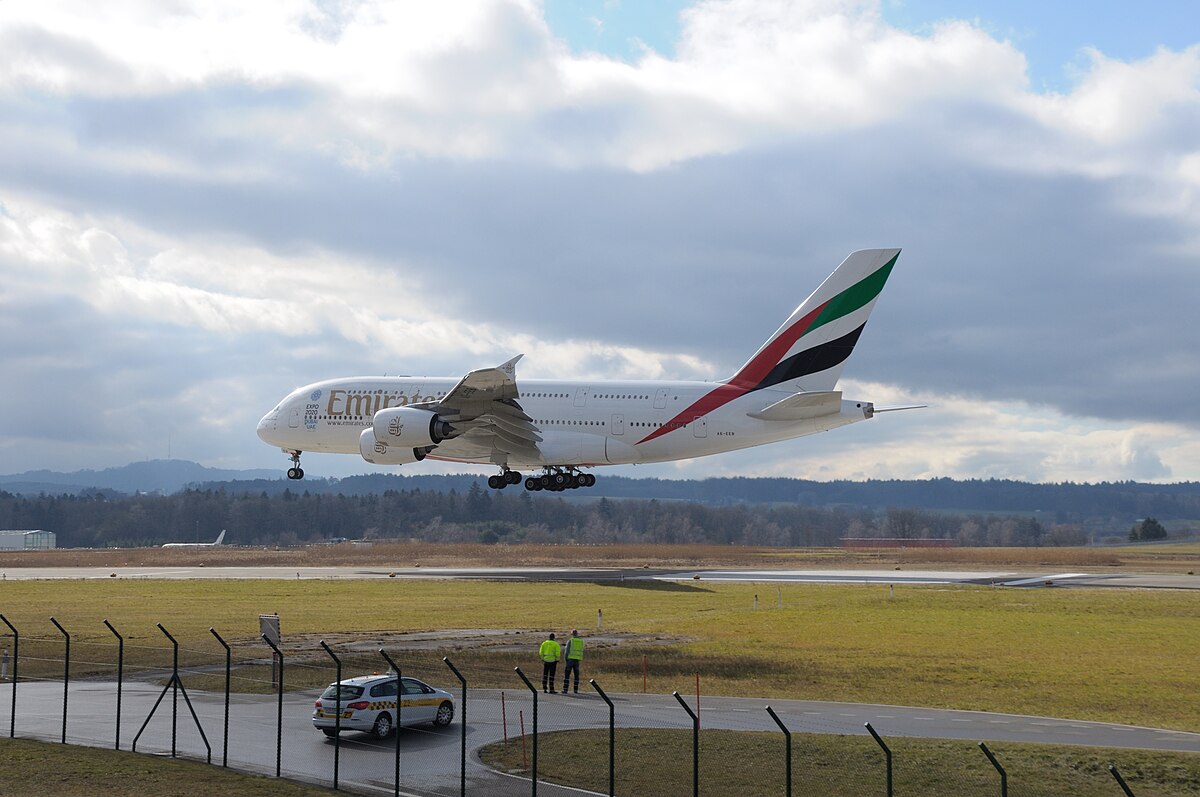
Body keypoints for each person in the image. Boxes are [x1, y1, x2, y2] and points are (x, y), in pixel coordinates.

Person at [562, 629, 584, 694]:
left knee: (567, 675)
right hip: (577, 660)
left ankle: (565, 689)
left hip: (570, 660)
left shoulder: (571, 641)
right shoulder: (581, 641)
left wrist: (565, 659)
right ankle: (576, 689)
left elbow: (566, 651)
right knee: (576, 675)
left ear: (572, 634)